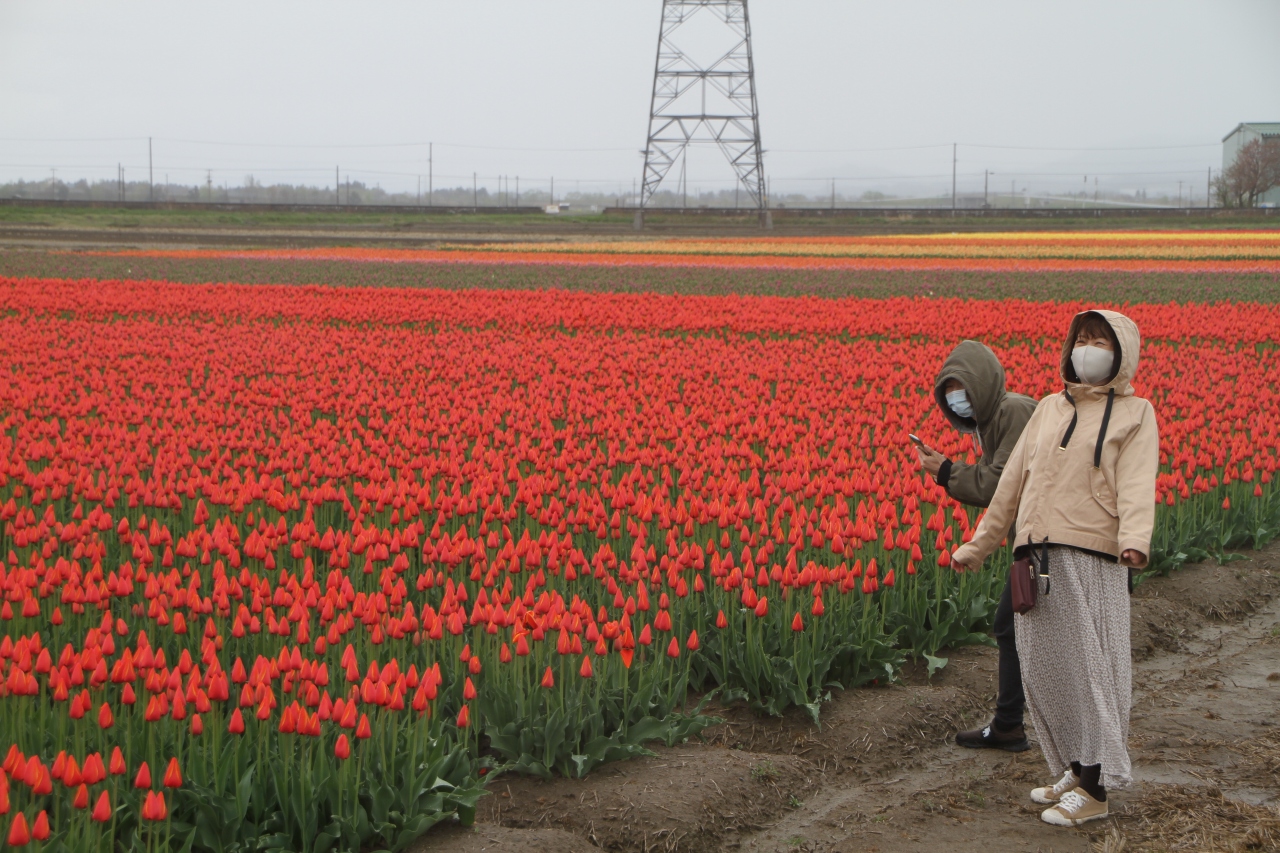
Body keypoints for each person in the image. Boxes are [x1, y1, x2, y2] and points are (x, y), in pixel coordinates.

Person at [950, 309, 1158, 827]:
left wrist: (1134, 540)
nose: (1088, 349)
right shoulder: (1047, 408)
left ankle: (1095, 788)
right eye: (1082, 339)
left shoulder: (1136, 414)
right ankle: (1074, 764)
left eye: (1100, 341)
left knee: (1090, 673)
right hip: (1037, 557)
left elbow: (1136, 482)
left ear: (1122, 353)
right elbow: (1011, 486)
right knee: (1049, 673)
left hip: (1091, 557)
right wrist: (979, 545)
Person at [914, 340, 1037, 752]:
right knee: (1013, 625)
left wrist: (946, 471)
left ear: (981, 384)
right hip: (1033, 536)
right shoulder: (992, 420)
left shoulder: (1014, 411)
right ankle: (1011, 724)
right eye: (949, 392)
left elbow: (1001, 485)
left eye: (962, 389)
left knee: (1013, 624)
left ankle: (1017, 725)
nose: (956, 400)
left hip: (1052, 536)